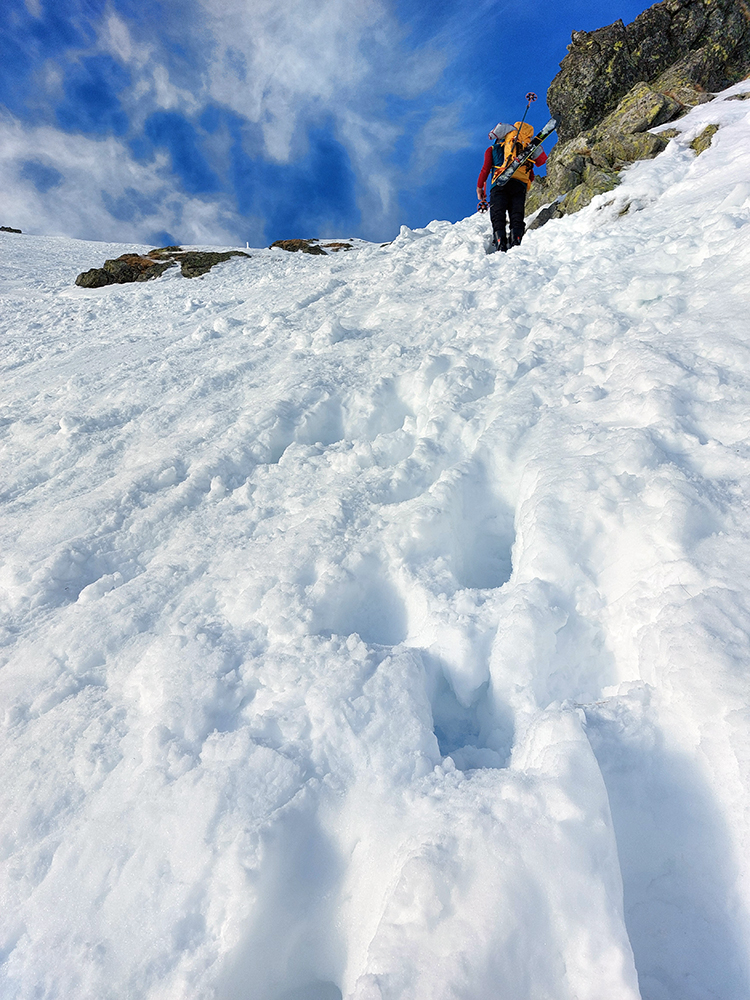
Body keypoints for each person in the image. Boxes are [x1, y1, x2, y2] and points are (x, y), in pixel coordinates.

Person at [476, 122, 548, 252]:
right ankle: (516, 240)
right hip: (519, 185)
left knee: (498, 214)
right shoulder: (524, 148)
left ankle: (500, 242)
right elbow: (532, 172)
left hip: (499, 184)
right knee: (517, 214)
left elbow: (485, 169)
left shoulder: (492, 149)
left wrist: (480, 188)